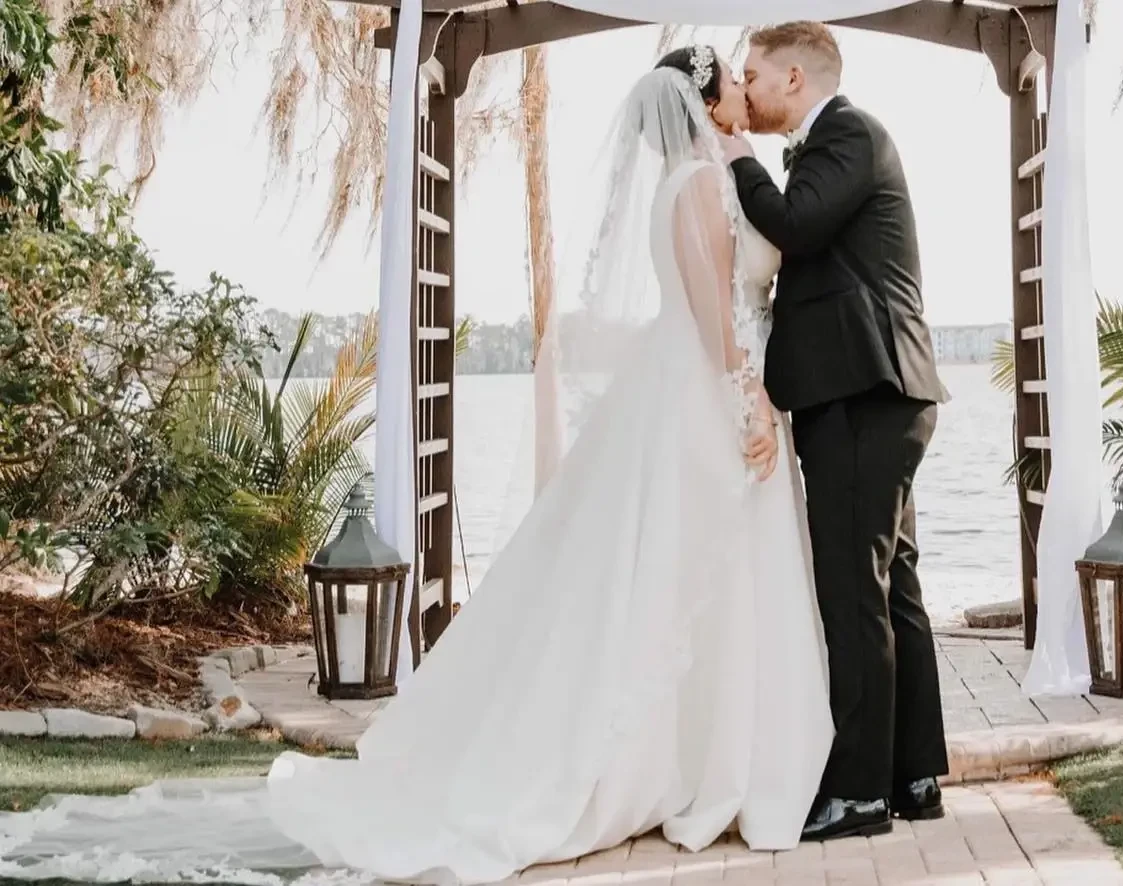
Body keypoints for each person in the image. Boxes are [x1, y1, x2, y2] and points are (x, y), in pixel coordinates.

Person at [0, 48, 832, 885]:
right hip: (701, 393)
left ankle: (691, 759)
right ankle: (695, 767)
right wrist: (748, 399)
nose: (739, 83)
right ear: (704, 98)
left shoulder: (689, 180)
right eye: (729, 74)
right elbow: (711, 309)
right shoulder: (695, 186)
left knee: (678, 582)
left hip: (679, 389)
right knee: (698, 579)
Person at [719, 22, 951, 842]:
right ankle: (914, 774)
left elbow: (800, 224)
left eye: (751, 76)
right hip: (870, 393)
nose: (742, 90)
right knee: (893, 587)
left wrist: (737, 153)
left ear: (792, 77)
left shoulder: (849, 131)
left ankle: (856, 795)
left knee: (854, 594)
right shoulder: (829, 142)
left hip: (865, 391)